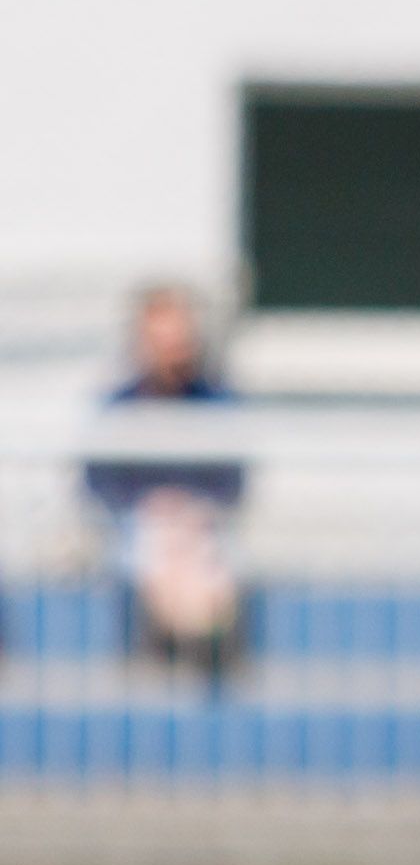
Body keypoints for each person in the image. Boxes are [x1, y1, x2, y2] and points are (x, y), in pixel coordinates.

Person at [82, 285, 248, 689]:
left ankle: (197, 658)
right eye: (162, 343)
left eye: (180, 342)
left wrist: (192, 510)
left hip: (201, 529)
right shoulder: (119, 407)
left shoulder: (217, 404)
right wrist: (150, 508)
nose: (173, 354)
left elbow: (233, 481)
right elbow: (97, 481)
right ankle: (180, 656)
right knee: (157, 549)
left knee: (203, 562)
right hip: (136, 528)